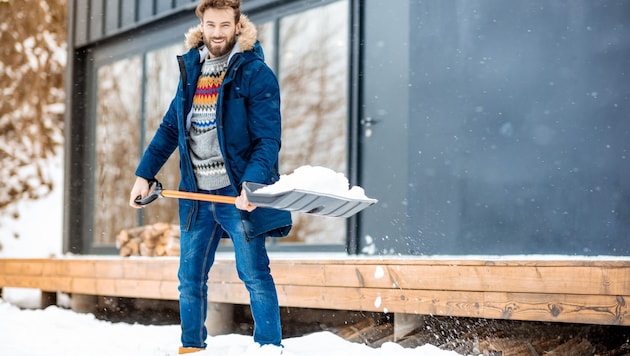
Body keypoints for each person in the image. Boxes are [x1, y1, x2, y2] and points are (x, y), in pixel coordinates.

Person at [128, 0, 292, 353]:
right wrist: (145, 173)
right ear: (201, 24)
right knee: (189, 280)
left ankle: (268, 347)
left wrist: (252, 184)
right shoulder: (192, 70)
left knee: (254, 276)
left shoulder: (254, 72)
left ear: (237, 24)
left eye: (224, 25)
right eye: (211, 25)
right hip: (196, 197)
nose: (217, 33)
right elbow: (170, 128)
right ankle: (191, 347)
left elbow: (268, 140)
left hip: (237, 195)